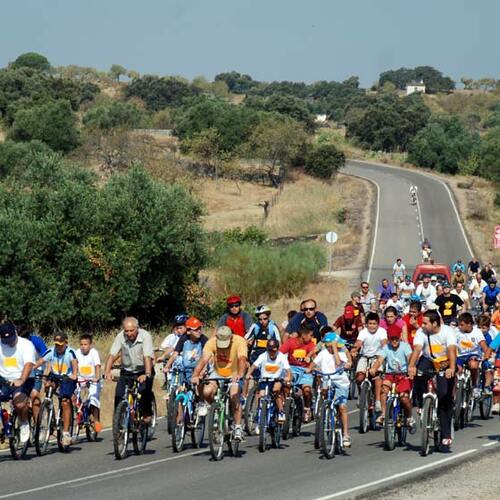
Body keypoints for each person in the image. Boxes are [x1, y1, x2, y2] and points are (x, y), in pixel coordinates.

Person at [409, 310, 457, 451]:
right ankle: (420, 403)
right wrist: (411, 366)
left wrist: (452, 368)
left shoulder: (448, 332)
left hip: (445, 362)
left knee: (443, 395)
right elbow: (417, 350)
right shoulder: (421, 332)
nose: (422, 325)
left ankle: (446, 435)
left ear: (435, 323)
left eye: (425, 323)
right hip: (429, 360)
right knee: (418, 374)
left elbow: (452, 350)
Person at [191, 326, 247, 441]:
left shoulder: (239, 341)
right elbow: (204, 359)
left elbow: (242, 359)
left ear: (231, 338)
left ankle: (237, 427)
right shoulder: (211, 342)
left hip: (234, 374)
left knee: (234, 395)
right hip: (217, 373)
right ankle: (215, 409)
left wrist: (240, 374)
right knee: (206, 392)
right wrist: (195, 375)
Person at [104, 317, 154, 427]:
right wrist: (107, 371)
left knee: (144, 391)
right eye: (126, 330)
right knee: (119, 395)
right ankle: (119, 423)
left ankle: (146, 413)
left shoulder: (145, 336)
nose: (128, 333)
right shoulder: (120, 336)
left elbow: (147, 357)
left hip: (144, 369)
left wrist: (147, 374)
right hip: (127, 370)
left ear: (137, 329)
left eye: (131, 330)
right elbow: (112, 354)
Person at [308, 333, 352, 448]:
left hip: (340, 383)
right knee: (325, 395)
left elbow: (338, 363)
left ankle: (346, 434)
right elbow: (314, 362)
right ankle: (326, 413)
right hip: (327, 380)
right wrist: (309, 369)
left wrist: (335, 349)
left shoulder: (341, 353)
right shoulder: (323, 353)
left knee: (342, 406)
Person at [35, 332, 78, 447]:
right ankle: (49, 409)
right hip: (55, 376)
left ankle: (65, 433)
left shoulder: (70, 352)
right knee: (48, 386)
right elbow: (40, 361)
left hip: (67, 378)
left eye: (61, 344)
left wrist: (74, 374)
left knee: (65, 401)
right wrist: (31, 369)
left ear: (66, 343)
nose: (58, 347)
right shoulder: (51, 351)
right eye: (56, 344)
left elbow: (74, 366)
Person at [369, 328, 414, 429]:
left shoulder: (405, 347)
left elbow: (410, 358)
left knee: (404, 398)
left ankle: (410, 417)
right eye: (392, 339)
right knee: (384, 389)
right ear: (389, 339)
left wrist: (411, 369)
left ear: (400, 338)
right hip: (390, 375)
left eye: (396, 339)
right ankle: (384, 415)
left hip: (403, 375)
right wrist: (374, 368)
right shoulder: (386, 348)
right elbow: (380, 360)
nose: (394, 341)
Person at [0, 322, 36, 444]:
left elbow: (29, 364)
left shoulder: (26, 345)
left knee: (20, 403)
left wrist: (21, 379)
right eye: (5, 340)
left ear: (15, 332)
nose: (9, 342)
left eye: (10, 339)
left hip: (24, 379)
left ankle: (24, 422)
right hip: (4, 380)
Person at [246, 339, 291, 423]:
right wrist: (248, 374)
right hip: (264, 380)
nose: (272, 353)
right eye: (269, 350)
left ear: (277, 349)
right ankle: (259, 415)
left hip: (276, 379)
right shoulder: (263, 356)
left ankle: (281, 411)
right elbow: (254, 366)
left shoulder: (282, 357)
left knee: (276, 389)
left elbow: (288, 370)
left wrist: (288, 377)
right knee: (260, 395)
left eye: (274, 350)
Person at [352, 312, 388, 413]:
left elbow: (384, 342)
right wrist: (354, 350)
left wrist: (384, 348)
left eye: (374, 324)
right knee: (359, 377)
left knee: (377, 376)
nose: (372, 326)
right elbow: (358, 343)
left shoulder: (382, 331)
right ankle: (361, 395)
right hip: (364, 356)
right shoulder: (363, 332)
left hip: (377, 357)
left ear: (378, 324)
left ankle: (377, 401)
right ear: (366, 324)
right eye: (370, 324)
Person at [280, 324, 316, 422]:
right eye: (310, 335)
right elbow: (280, 353)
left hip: (305, 370)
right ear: (304, 335)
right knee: (286, 386)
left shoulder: (310, 344)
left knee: (307, 390)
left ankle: (307, 409)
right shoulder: (291, 342)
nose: (311, 338)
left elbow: (315, 357)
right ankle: (283, 408)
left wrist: (311, 365)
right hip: (291, 368)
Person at [17, 324, 47, 424]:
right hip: (21, 370)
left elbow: (46, 357)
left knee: (34, 395)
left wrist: (33, 367)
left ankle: (38, 425)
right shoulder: (15, 343)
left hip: (36, 369)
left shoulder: (36, 340)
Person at [456, 313, 491, 396]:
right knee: (456, 370)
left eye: (462, 325)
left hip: (473, 354)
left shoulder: (477, 332)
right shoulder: (456, 331)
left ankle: (475, 386)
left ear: (469, 324)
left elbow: (484, 346)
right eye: (459, 325)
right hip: (460, 355)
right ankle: (453, 395)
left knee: (473, 365)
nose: (460, 327)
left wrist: (486, 357)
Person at [75, 334, 102, 432]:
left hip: (92, 380)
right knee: (74, 397)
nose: (83, 346)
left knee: (93, 400)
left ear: (90, 345)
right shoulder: (77, 352)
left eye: (85, 344)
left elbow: (97, 366)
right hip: (81, 379)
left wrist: (97, 377)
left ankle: (96, 420)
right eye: (81, 344)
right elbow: (74, 364)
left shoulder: (94, 353)